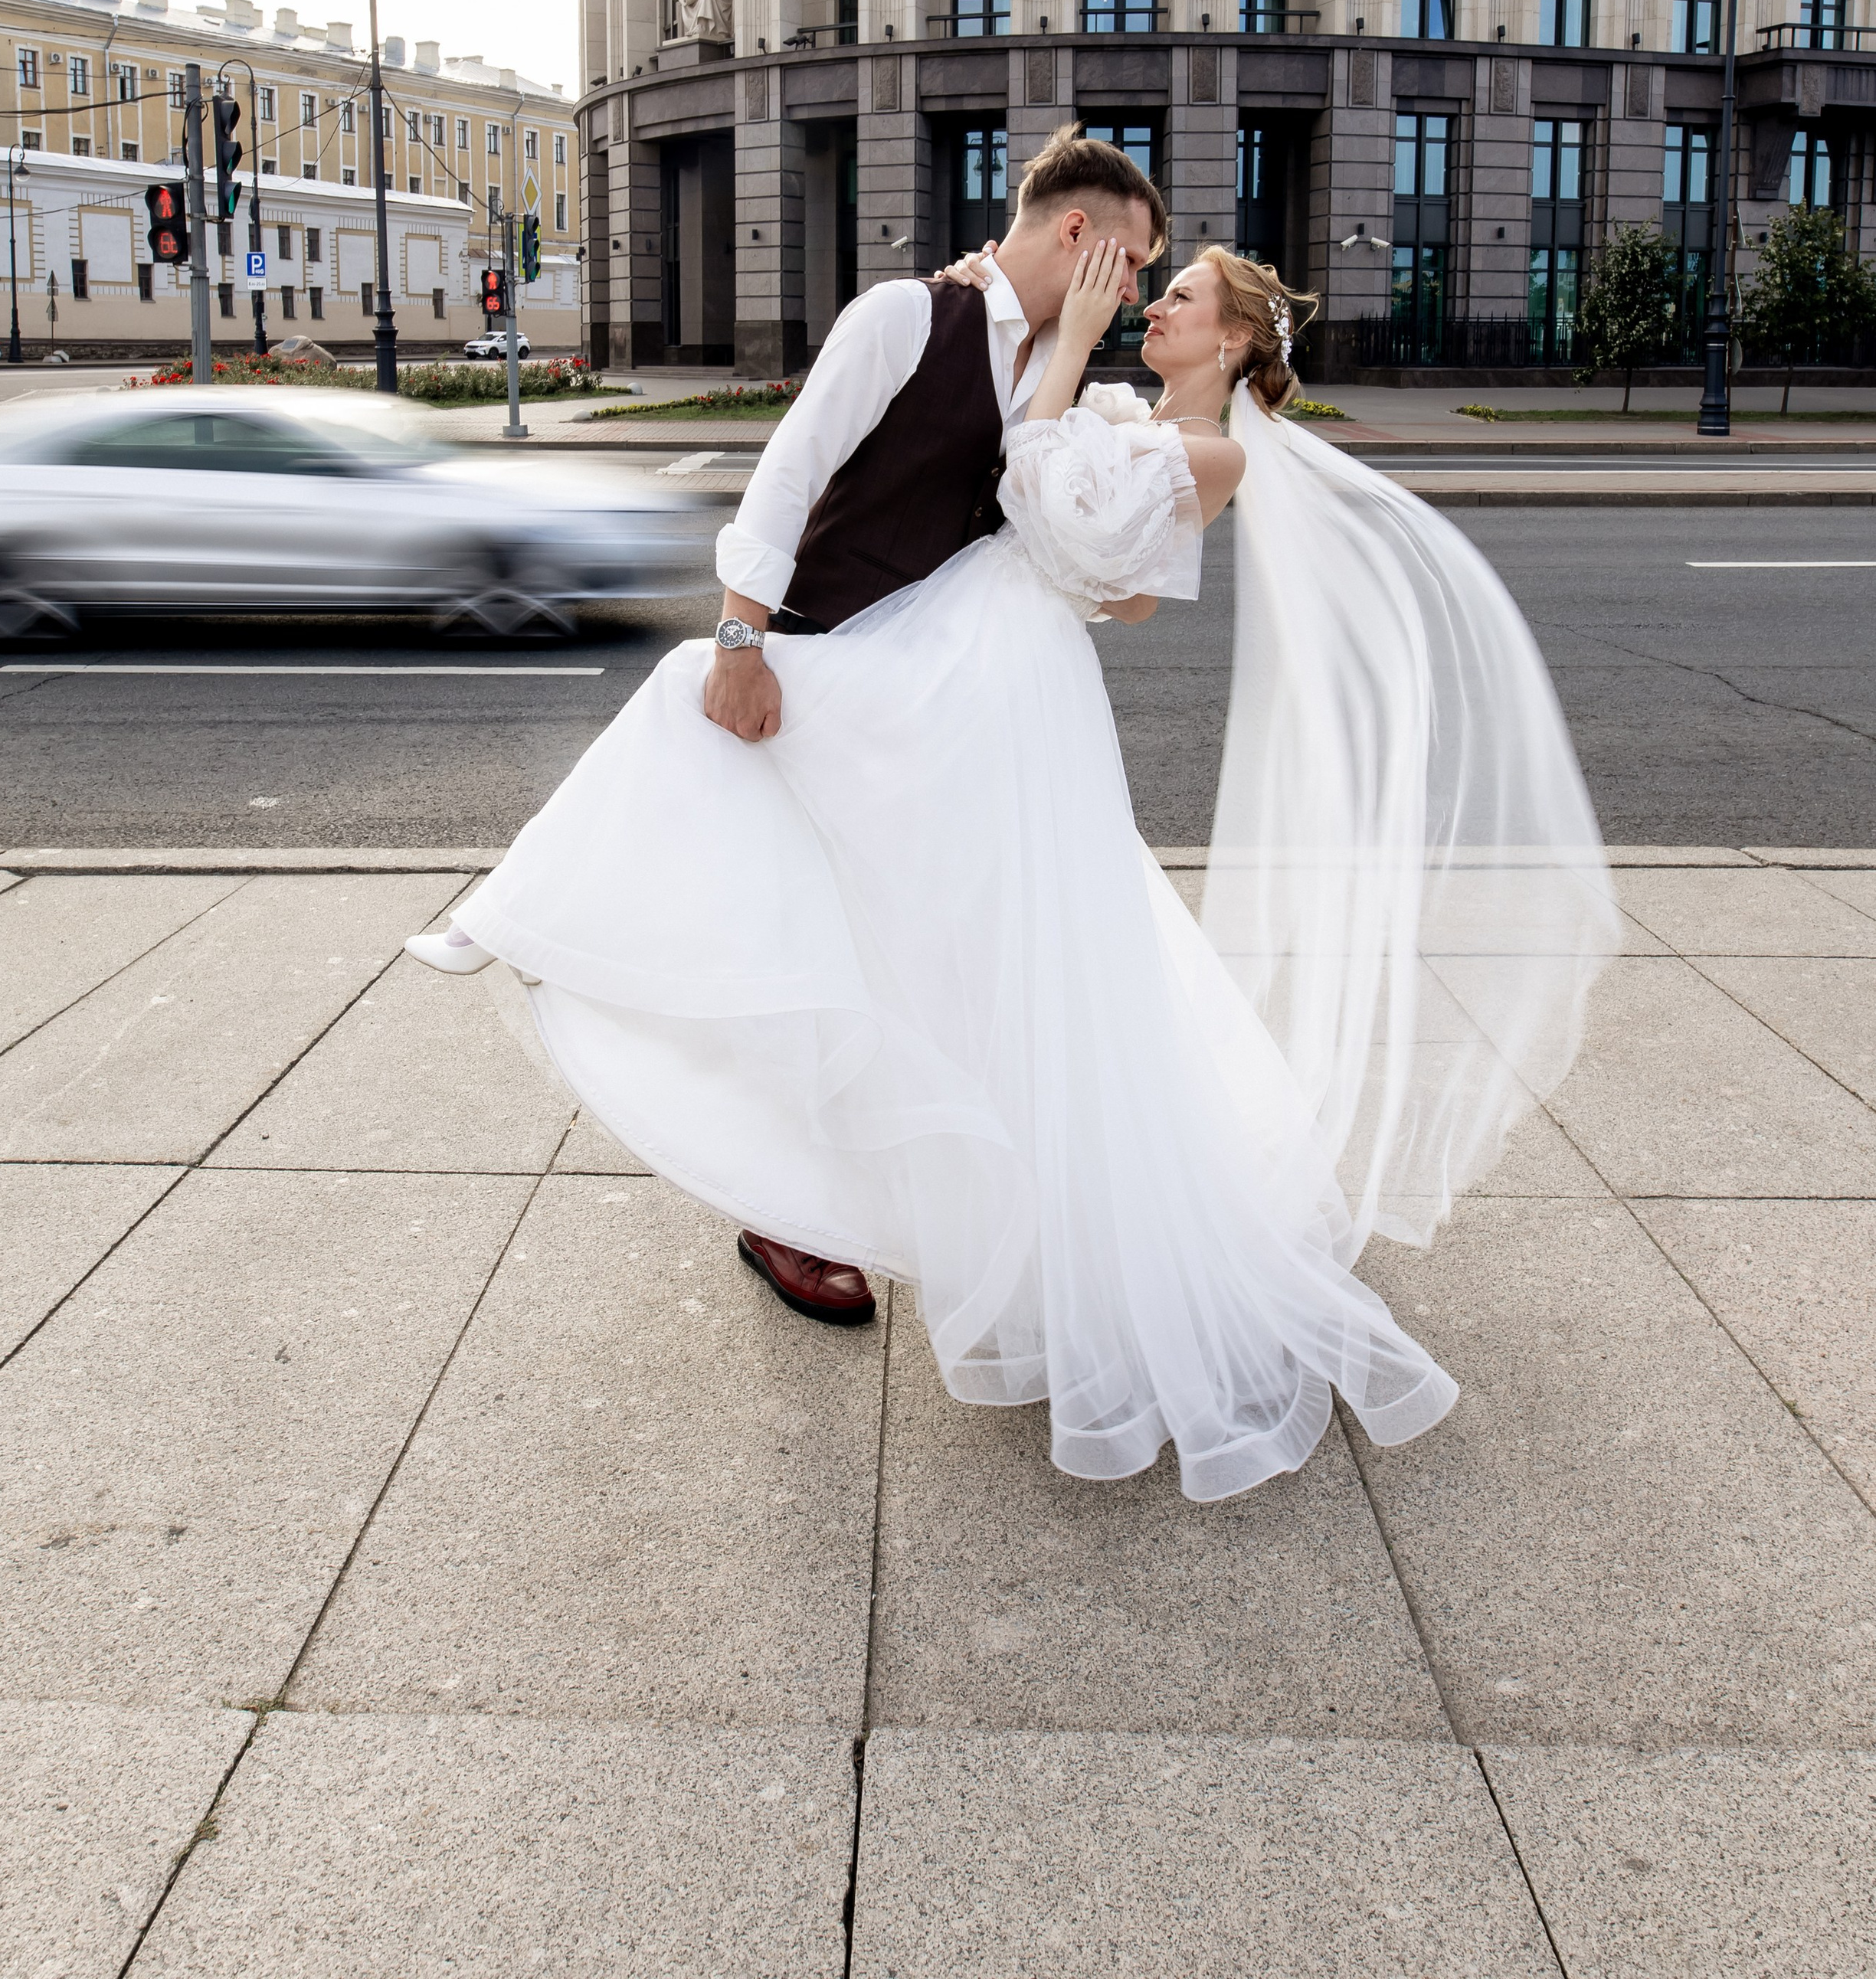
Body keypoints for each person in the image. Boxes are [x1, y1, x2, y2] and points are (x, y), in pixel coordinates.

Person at [408, 141, 1616, 1502]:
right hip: (890, 660)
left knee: (944, 951)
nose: (1144, 291)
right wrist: (744, 632)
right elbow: (795, 472)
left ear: (1225, 337)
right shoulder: (924, 320)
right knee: (710, 733)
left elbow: (1116, 573)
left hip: (980, 683)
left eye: (1169, 286)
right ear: (1084, 236)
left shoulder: (1098, 384)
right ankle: (547, 941)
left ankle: (888, 1194)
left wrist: (1078, 398)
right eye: (1138, 265)